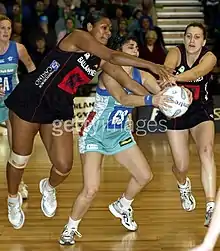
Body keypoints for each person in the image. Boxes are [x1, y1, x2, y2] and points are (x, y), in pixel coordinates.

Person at [4, 11, 173, 230]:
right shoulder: (77, 37)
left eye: (110, 29)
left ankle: (48, 186)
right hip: (31, 99)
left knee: (64, 166)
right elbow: (113, 55)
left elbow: (129, 84)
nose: (108, 31)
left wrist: (159, 100)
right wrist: (150, 64)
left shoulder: (100, 60)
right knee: (20, 158)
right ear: (90, 26)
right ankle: (13, 198)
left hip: (58, 109)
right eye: (104, 27)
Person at [58, 36, 189, 245]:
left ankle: (122, 205)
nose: (135, 50)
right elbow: (124, 98)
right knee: (91, 189)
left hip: (119, 133)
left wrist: (179, 96)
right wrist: (151, 100)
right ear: (118, 52)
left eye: (137, 47)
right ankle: (70, 228)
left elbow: (161, 93)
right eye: (130, 47)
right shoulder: (108, 73)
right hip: (95, 134)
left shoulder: (142, 74)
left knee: (144, 175)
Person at [160, 22, 217, 227]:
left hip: (201, 109)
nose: (192, 41)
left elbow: (195, 74)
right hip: (177, 110)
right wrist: (168, 77)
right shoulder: (176, 52)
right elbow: (166, 69)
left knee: (206, 151)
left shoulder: (209, 57)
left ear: (204, 40)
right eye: (189, 36)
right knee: (181, 166)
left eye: (197, 37)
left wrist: (174, 78)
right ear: (184, 38)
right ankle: (183, 184)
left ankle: (210, 207)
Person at [0, 15, 36, 200]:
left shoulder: (18, 48)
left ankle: (19, 184)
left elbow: (31, 68)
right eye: (2, 28)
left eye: (8, 28)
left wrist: (35, 88)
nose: (6, 31)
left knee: (17, 147)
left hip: (13, 100)